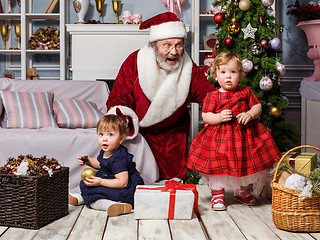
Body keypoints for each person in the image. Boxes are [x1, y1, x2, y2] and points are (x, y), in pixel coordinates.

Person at [106, 12, 215, 181]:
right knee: (132, 180)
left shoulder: (188, 67)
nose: (174, 52)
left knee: (173, 183)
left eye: (179, 45)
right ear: (154, 45)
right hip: (139, 134)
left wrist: (234, 104)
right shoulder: (135, 61)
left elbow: (210, 96)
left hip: (173, 136)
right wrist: (123, 124)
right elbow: (118, 98)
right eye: (167, 45)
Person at [186, 52, 281, 211]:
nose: (228, 77)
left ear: (241, 74)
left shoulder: (246, 92)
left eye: (233, 72)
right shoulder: (212, 96)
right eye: (223, 72)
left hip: (243, 137)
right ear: (216, 75)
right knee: (218, 164)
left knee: (245, 163)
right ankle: (217, 193)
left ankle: (242, 191)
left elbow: (257, 107)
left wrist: (249, 114)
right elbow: (206, 116)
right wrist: (219, 117)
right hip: (219, 139)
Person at [68, 111, 144, 217]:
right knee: (86, 184)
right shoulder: (106, 151)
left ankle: (113, 205)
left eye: (110, 135)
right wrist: (88, 161)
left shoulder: (119, 158)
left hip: (123, 189)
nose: (104, 138)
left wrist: (101, 182)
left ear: (121, 139)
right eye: (101, 134)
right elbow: (101, 164)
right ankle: (83, 198)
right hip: (108, 180)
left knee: (97, 193)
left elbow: (122, 183)